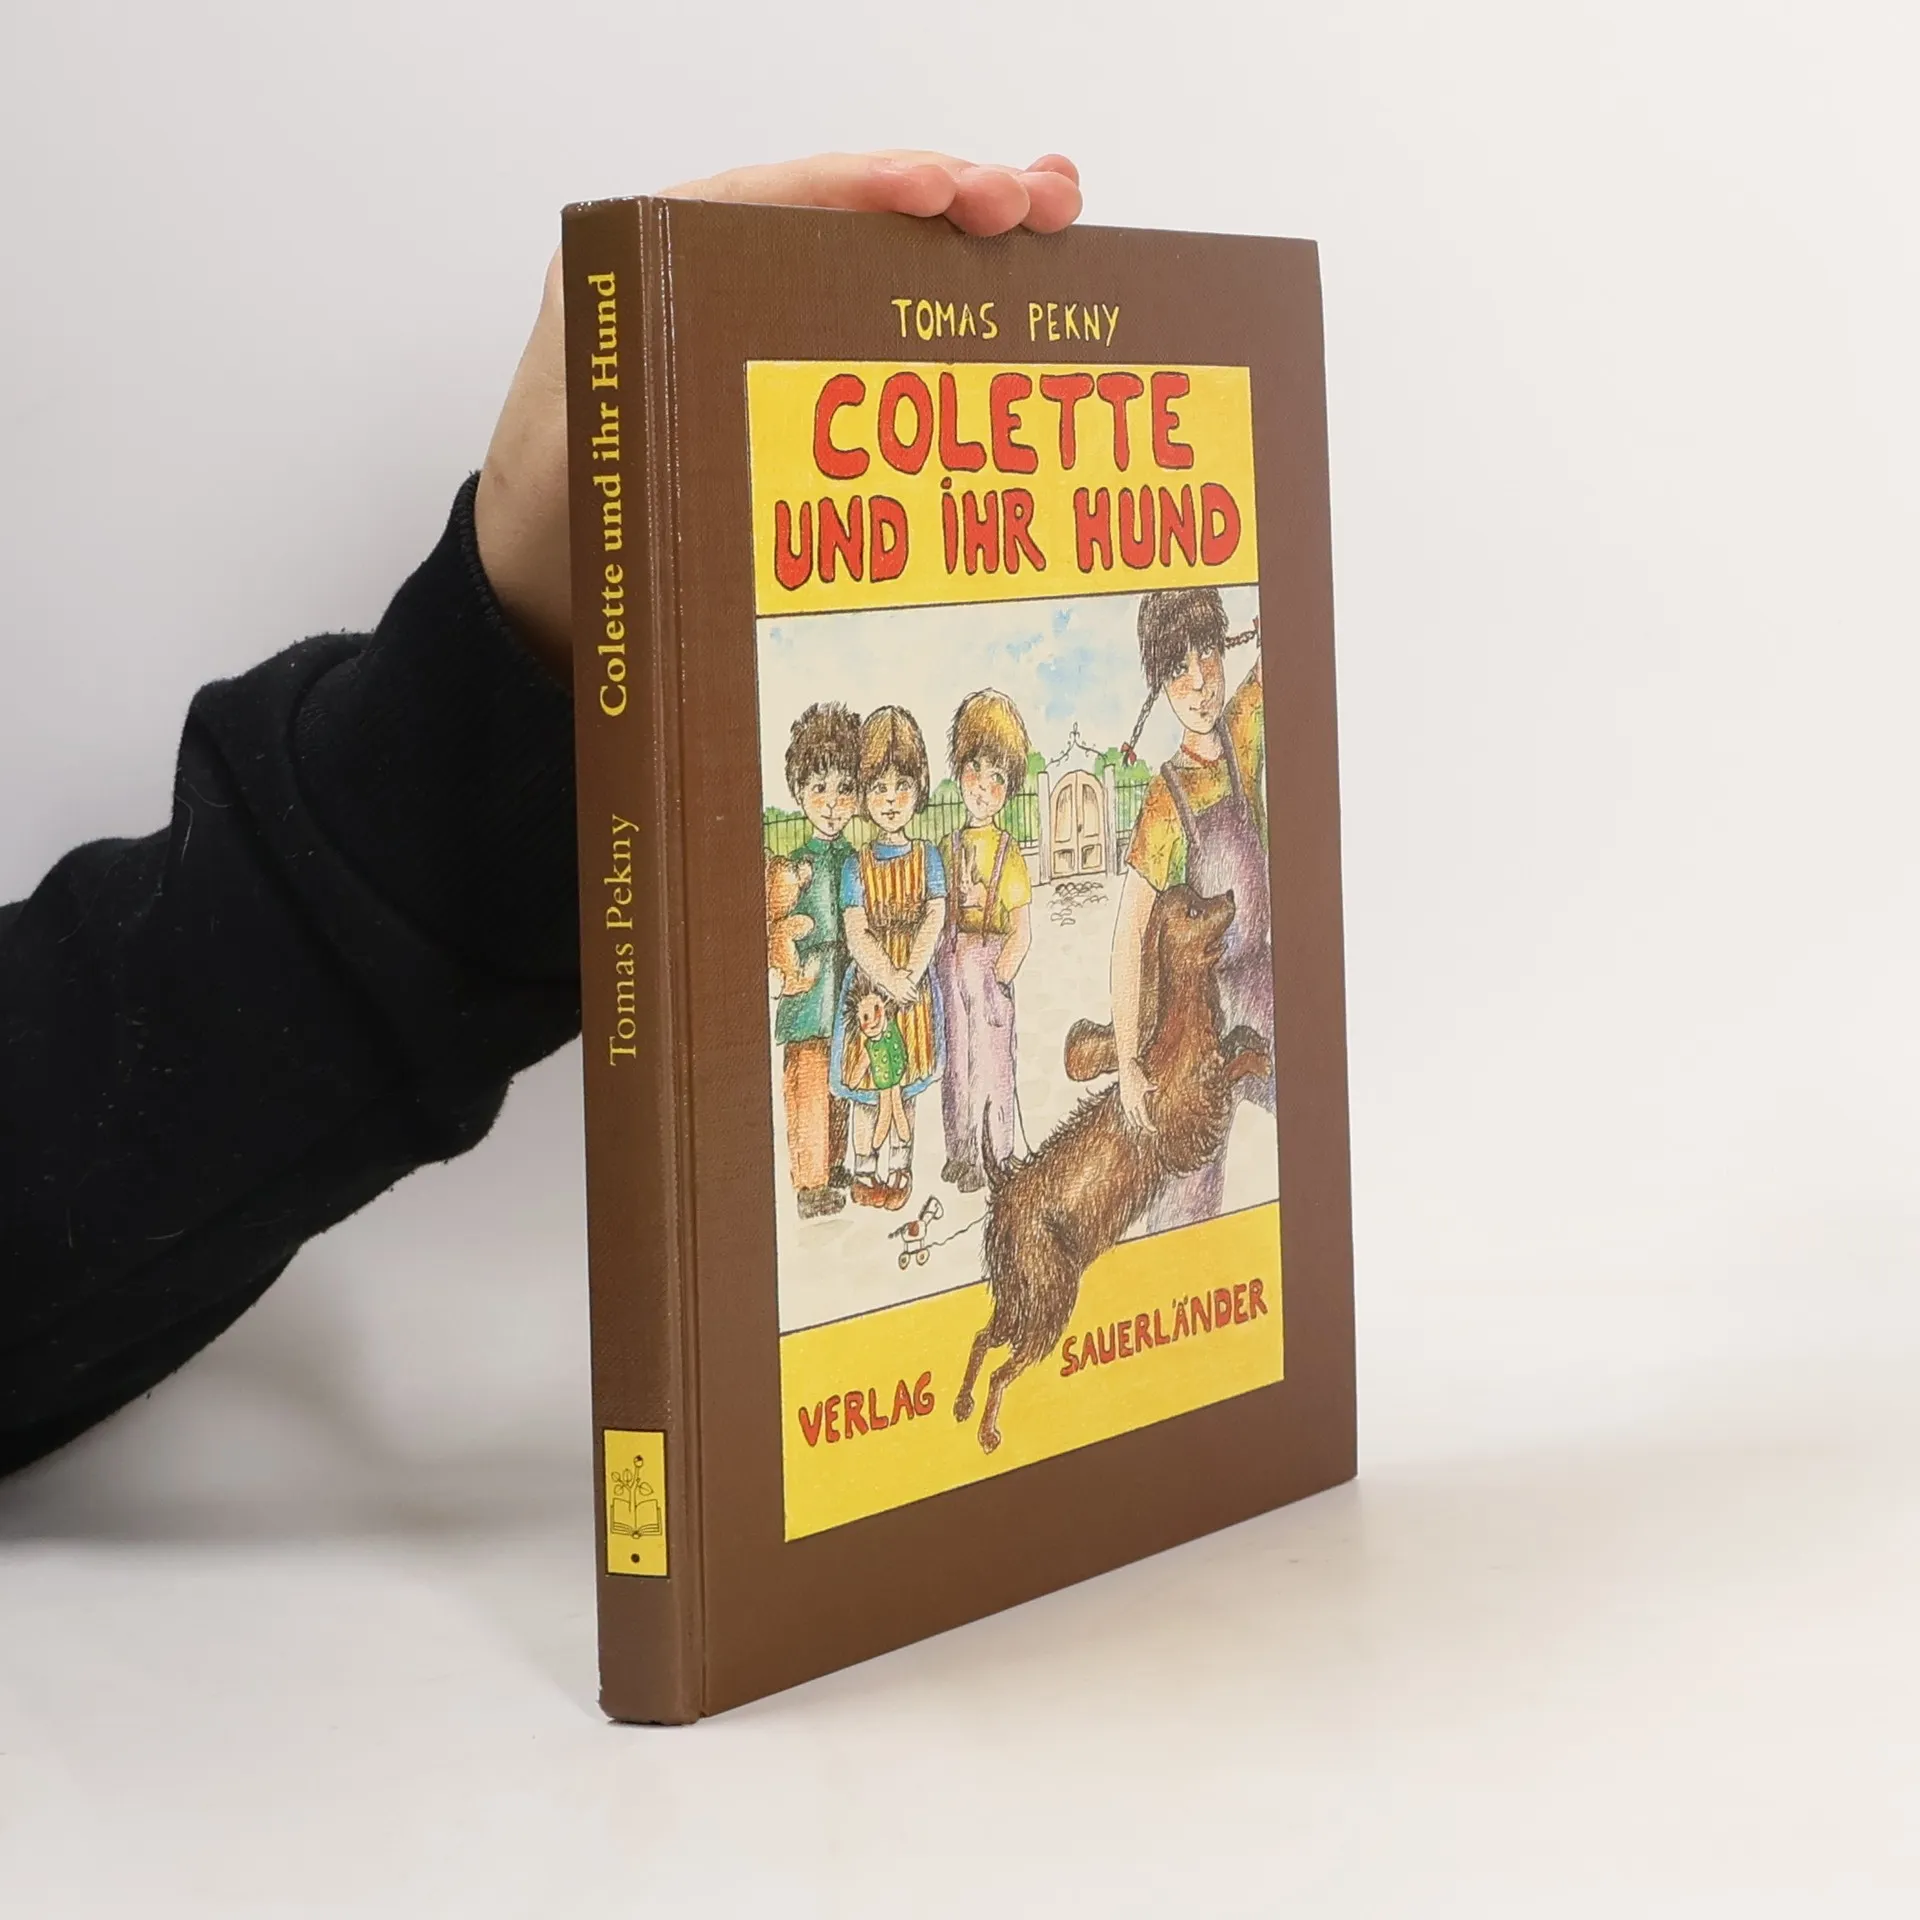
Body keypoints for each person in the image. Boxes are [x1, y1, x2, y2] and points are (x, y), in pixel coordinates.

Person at [0, 150, 1083, 1477]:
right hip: (839, 999)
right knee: (851, 1104)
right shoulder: (839, 856)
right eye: (877, 784)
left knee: (954, 1080)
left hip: (905, 979)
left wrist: (492, 667)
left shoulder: (939, 848)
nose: (892, 799)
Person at [1108, 587, 1273, 1232]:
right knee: (1184, 1199)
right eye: (1179, 669)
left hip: (1261, 987)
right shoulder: (1164, 799)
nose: (1202, 683)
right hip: (1196, 1019)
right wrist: (1129, 1062)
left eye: (1208, 655)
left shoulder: (1243, 733)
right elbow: (1129, 935)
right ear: (1159, 683)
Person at [830, 707, 947, 1210]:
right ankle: (865, 1167)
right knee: (866, 1085)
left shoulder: (928, 856)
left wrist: (910, 974)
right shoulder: (854, 867)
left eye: (902, 786)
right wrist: (886, 977)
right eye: (879, 787)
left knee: (906, 1083)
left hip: (912, 990)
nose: (892, 799)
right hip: (870, 991)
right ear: (863, 794)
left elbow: (935, 917)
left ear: (919, 788)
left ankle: (899, 1164)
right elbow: (856, 931)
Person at [935, 688, 1034, 1192]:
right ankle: (960, 1151)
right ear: (959, 771)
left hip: (989, 969)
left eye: (997, 778)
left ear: (1009, 789)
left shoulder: (1008, 852)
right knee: (956, 1061)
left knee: (990, 1064)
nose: (983, 786)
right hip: (951, 967)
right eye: (975, 769)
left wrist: (1000, 976)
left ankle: (993, 1154)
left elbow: (1022, 928)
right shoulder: (947, 846)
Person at [772, 701, 863, 1219]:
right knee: (807, 1081)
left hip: (844, 986)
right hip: (808, 992)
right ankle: (810, 1183)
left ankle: (834, 1162)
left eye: (845, 790)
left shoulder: (854, 860)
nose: (831, 804)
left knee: (840, 1080)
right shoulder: (796, 865)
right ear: (799, 790)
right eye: (819, 789)